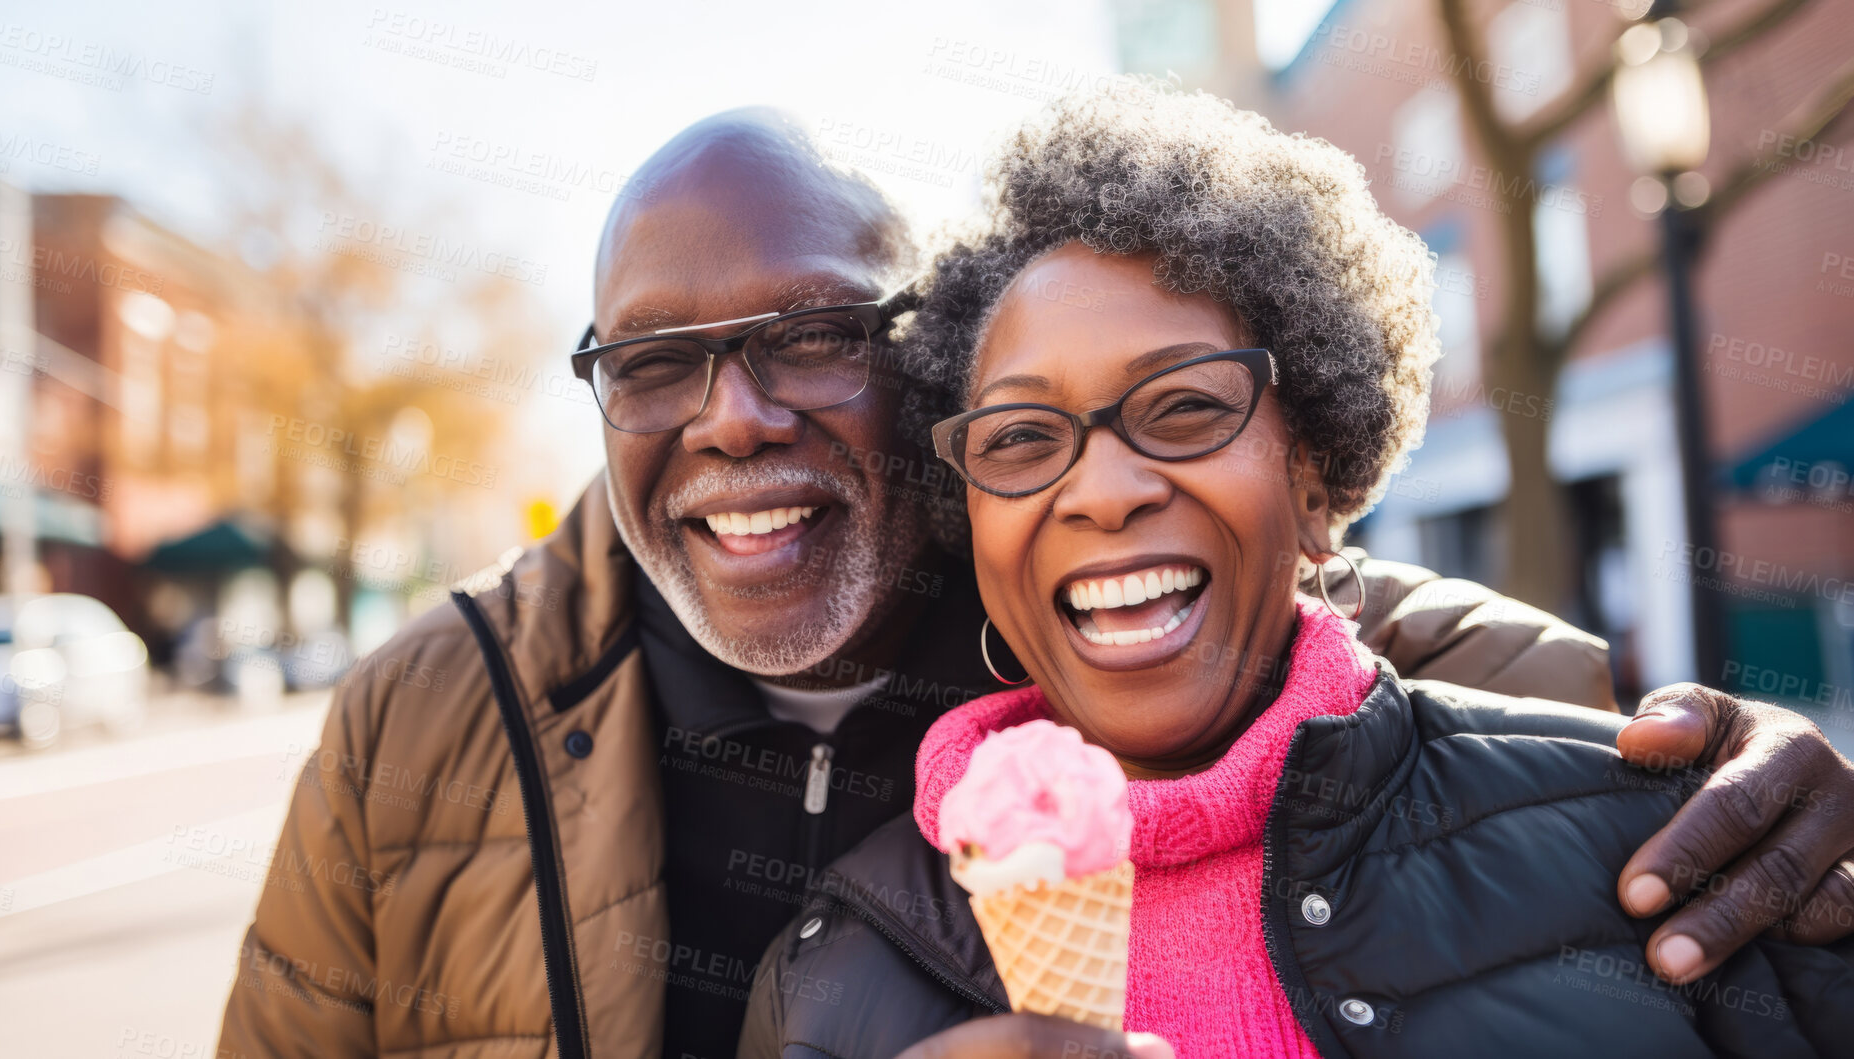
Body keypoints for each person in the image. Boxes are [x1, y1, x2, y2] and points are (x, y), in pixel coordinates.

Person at [217, 108, 1854, 1059]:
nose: (731, 416)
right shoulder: (421, 724)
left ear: (922, 380)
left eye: (807, 336)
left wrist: (1732, 751)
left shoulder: (1061, 565)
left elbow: (1317, 645)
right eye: (656, 360)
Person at [738, 86, 1854, 1058]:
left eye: (1182, 406)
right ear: (968, 518)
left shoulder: (1660, 838)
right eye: (1021, 439)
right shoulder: (826, 987)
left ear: (1313, 483)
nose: (1102, 490)